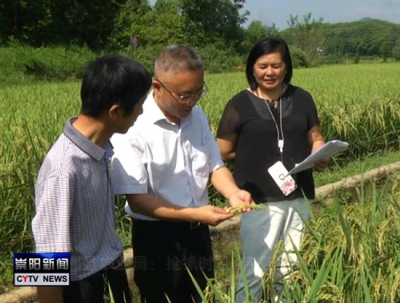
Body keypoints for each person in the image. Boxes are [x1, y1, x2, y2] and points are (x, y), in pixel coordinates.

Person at [110, 44, 253, 303]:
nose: (193, 101)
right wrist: (195, 214)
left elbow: (215, 167)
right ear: (157, 87)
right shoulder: (134, 126)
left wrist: (233, 193)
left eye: (199, 92)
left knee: (202, 294)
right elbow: (137, 200)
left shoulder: (196, 116)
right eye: (184, 95)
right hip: (157, 238)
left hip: (198, 233)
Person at [31, 55, 152, 303]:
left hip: (110, 267)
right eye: (140, 103)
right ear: (116, 112)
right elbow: (45, 257)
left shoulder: (101, 146)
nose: (142, 111)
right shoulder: (63, 167)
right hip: (82, 286)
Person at [216, 37, 329, 302]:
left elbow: (315, 136)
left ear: (286, 67)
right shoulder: (239, 104)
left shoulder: (302, 98)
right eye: (263, 66)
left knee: (292, 269)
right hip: (259, 202)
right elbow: (222, 152)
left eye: (276, 65)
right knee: (255, 271)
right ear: (252, 68)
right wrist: (251, 160)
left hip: (298, 197)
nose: (270, 72)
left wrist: (319, 153)